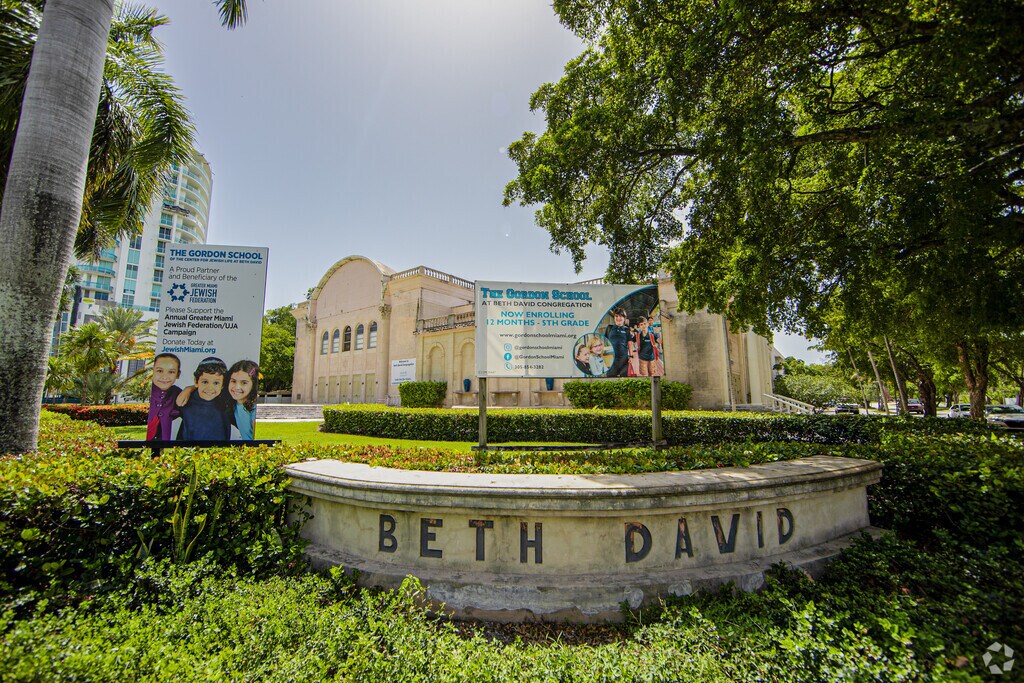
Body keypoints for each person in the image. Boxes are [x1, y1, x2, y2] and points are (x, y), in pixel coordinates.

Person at [176, 356, 231, 441]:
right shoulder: (186, 399)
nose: (210, 388)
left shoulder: (227, 403)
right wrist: (189, 389)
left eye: (216, 383)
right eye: (205, 382)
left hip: (218, 452)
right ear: (196, 381)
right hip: (188, 452)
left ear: (223, 385)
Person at [146, 353, 181, 441]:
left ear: (178, 374)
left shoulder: (177, 393)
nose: (165, 377)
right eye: (160, 371)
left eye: (171, 372)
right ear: (153, 371)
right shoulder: (147, 391)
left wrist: (189, 389)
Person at [227, 359, 259, 440]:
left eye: (244, 383)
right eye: (233, 381)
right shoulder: (234, 404)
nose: (237, 387)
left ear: (253, 384)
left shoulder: (254, 409)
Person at [604, 309, 632, 377]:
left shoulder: (627, 330)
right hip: (612, 359)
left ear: (624, 318)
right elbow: (604, 342)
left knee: (624, 379)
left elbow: (630, 344)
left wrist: (631, 356)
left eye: (621, 316)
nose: (618, 318)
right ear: (614, 318)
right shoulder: (609, 328)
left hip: (624, 359)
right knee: (611, 378)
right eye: (616, 316)